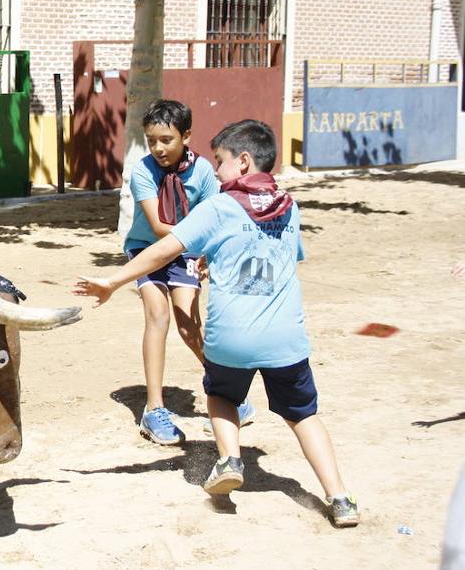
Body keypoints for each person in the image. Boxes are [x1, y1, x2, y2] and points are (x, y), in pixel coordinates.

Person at [75, 119, 360, 528]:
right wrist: (220, 254)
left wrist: (113, 281)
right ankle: (340, 497)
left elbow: (162, 251)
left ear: (243, 161)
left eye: (222, 163)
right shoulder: (291, 206)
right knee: (303, 415)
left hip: (232, 338)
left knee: (221, 395)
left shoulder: (219, 207)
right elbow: (278, 255)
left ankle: (230, 459)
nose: (217, 172)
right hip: (286, 338)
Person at [122, 99, 252, 444]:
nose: (158, 148)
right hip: (147, 249)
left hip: (187, 252)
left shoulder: (205, 172)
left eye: (166, 139)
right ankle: (153, 410)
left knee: (189, 324)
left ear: (187, 136)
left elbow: (215, 218)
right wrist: (199, 237)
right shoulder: (142, 172)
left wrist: (208, 253)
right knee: (158, 314)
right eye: (151, 140)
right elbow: (158, 224)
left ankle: (227, 394)